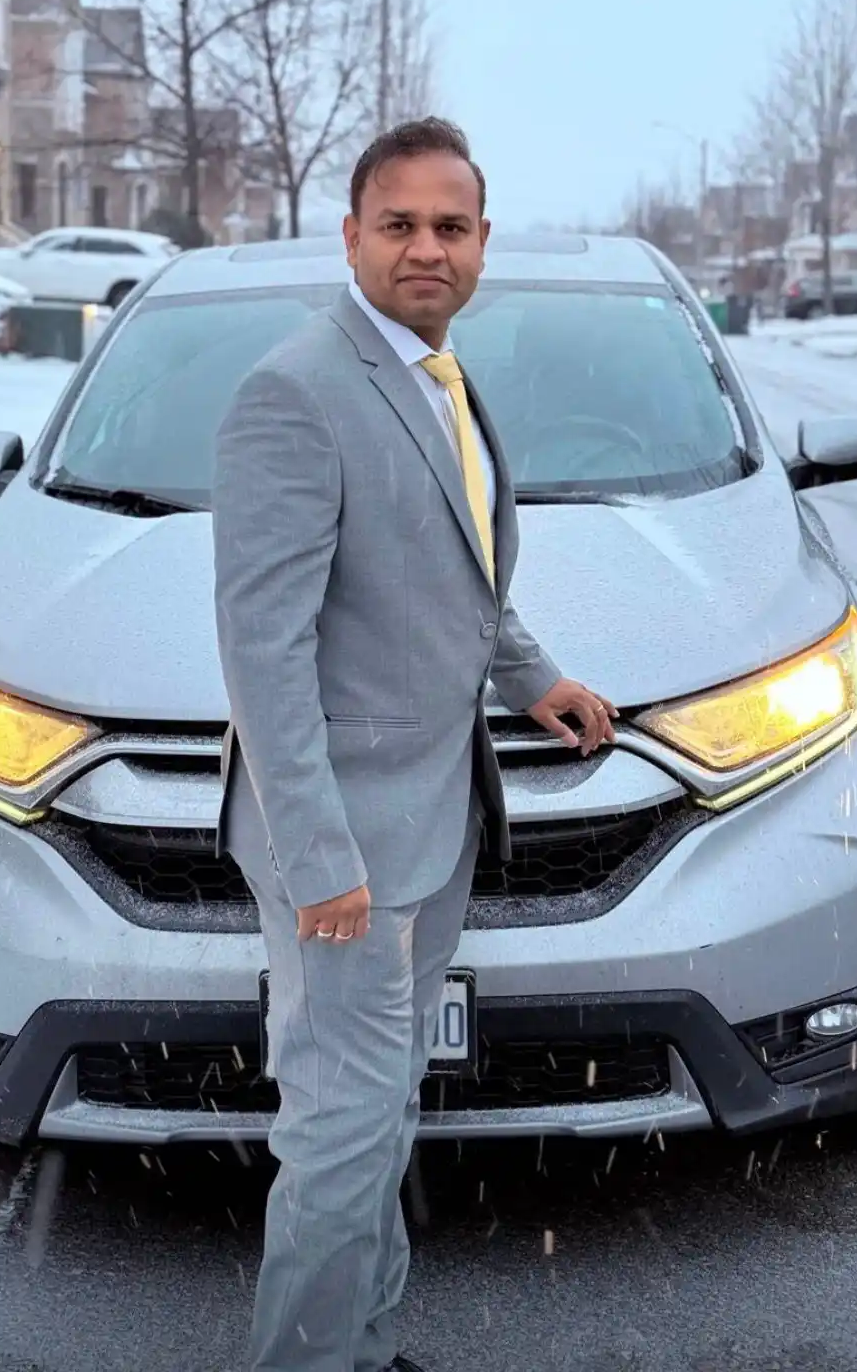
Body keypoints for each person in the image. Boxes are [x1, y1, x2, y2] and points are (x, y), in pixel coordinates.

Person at [211, 117, 617, 1372]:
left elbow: (450, 568)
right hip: (344, 845)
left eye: (450, 226)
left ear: (482, 242)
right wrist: (320, 857)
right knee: (339, 1130)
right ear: (351, 237)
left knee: (379, 1110)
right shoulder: (296, 391)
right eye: (399, 224)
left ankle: (360, 1344)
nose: (425, 248)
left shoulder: (437, 373)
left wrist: (531, 675)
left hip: (432, 819)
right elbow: (264, 651)